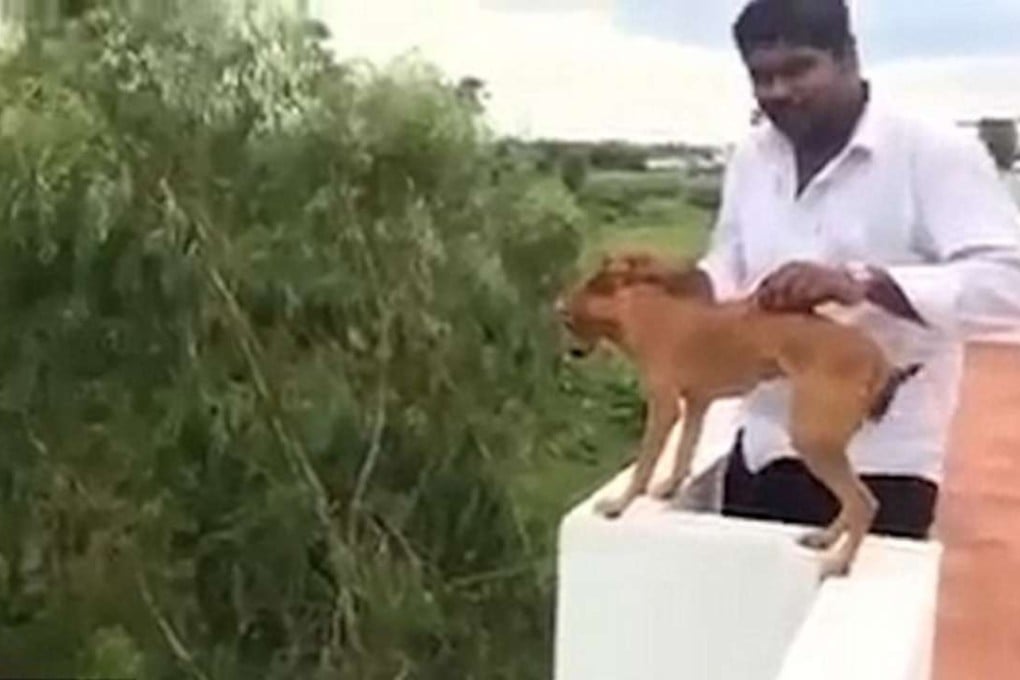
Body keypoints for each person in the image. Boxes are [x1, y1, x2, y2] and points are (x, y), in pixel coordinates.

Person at [693, 0, 1020, 539]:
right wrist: (680, 290)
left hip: (881, 459)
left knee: (848, 618)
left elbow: (1005, 282)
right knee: (748, 614)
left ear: (848, 57)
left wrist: (864, 283)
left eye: (797, 69)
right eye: (761, 77)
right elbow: (730, 259)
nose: (777, 91)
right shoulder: (753, 156)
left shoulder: (933, 152)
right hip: (760, 442)